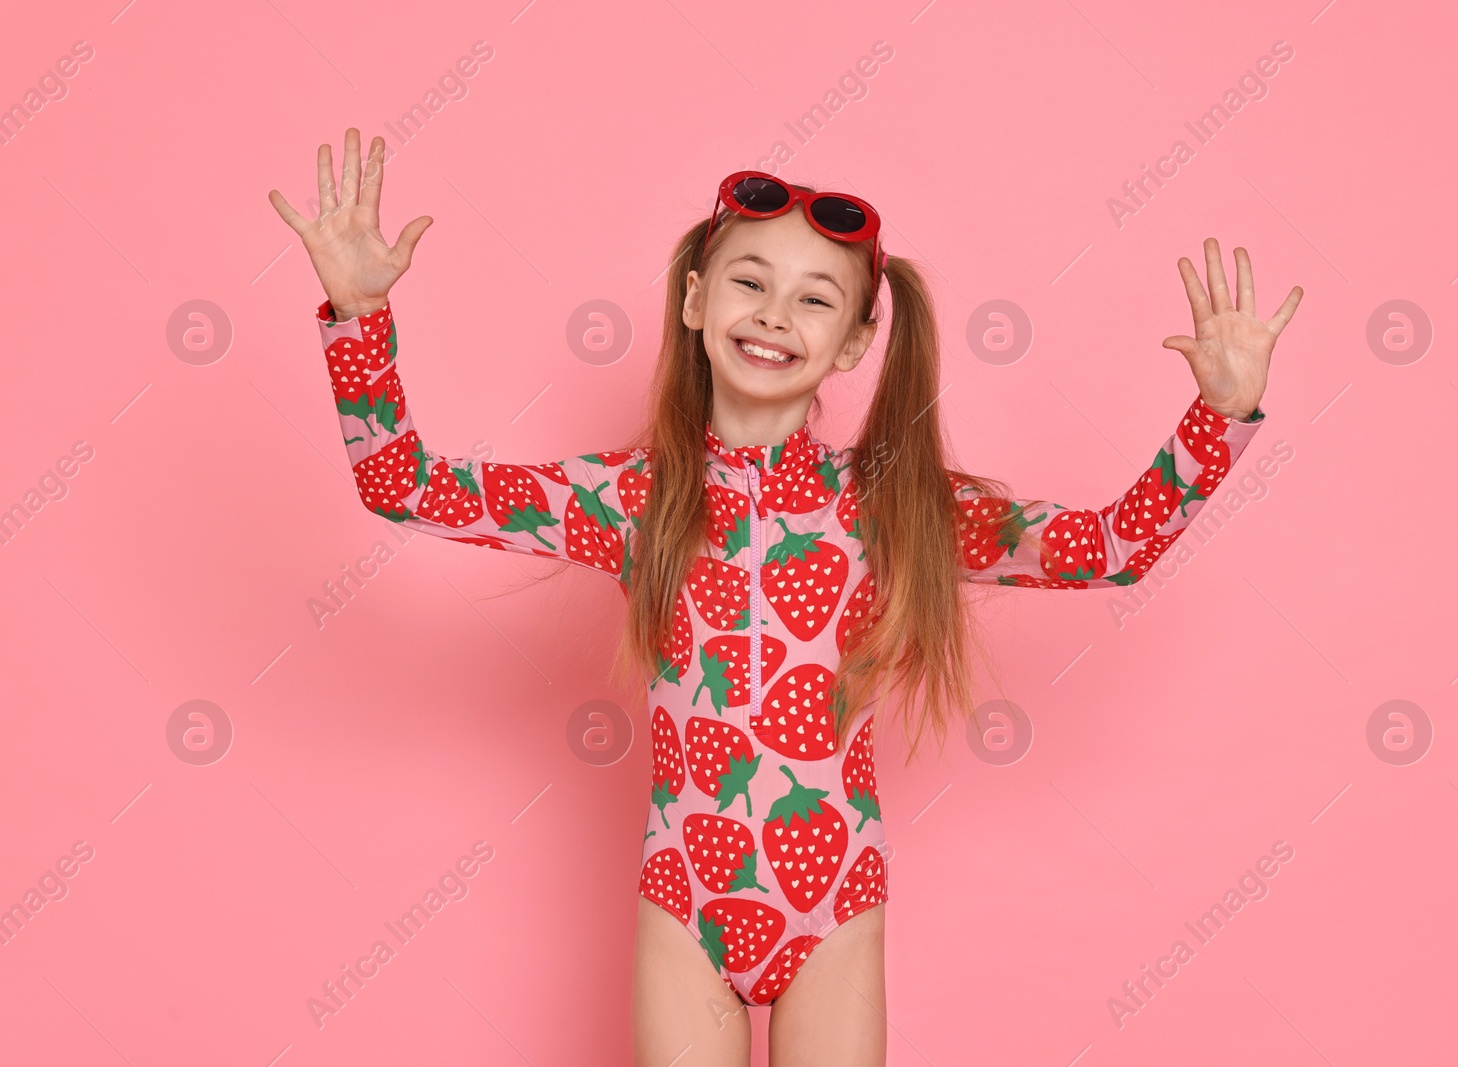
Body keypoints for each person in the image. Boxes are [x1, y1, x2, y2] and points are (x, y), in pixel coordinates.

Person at [268, 128, 1302, 1067]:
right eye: (748, 281)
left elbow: (1107, 548)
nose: (773, 313)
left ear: (853, 343)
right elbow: (398, 484)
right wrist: (359, 313)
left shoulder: (890, 507)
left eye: (815, 297)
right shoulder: (632, 499)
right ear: (692, 302)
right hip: (685, 899)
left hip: (836, 903)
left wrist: (1221, 413)